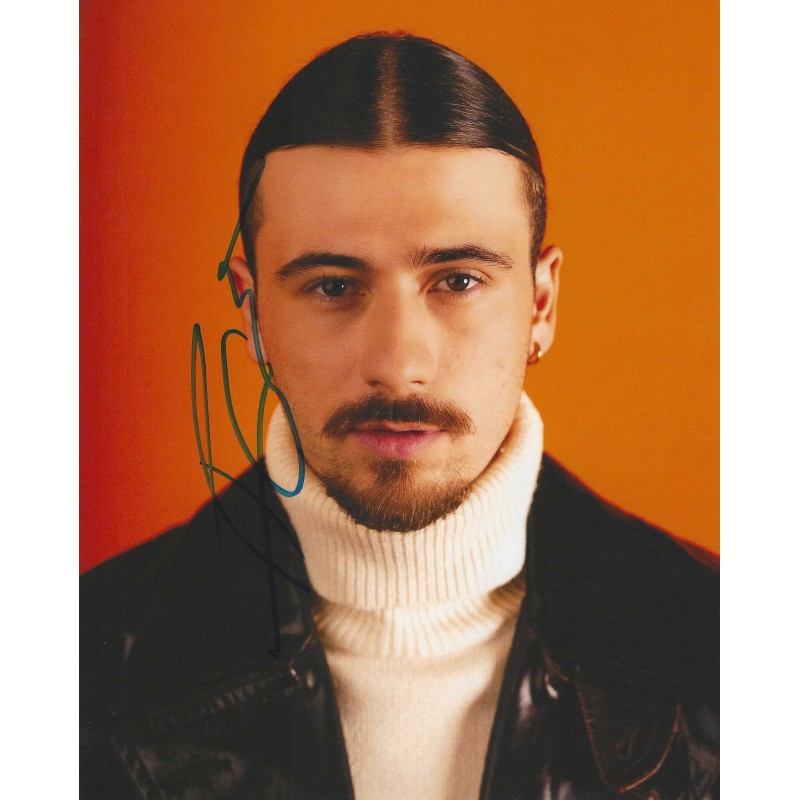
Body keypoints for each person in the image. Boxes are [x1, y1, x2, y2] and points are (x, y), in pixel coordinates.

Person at [80, 32, 719, 800]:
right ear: (251, 314)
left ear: (541, 306)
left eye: (458, 280)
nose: (397, 362)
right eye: (332, 287)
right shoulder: (74, 669)